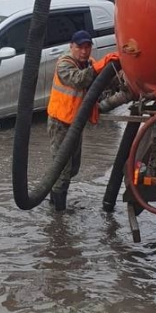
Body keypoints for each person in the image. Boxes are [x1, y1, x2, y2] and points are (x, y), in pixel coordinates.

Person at [46, 30, 121, 211]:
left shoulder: (88, 63)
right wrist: (100, 66)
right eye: (80, 47)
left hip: (75, 124)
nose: (84, 51)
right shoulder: (64, 64)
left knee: (73, 168)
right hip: (60, 124)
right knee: (63, 170)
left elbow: (102, 82)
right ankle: (59, 213)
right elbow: (79, 80)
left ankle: (53, 199)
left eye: (87, 47)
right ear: (71, 46)